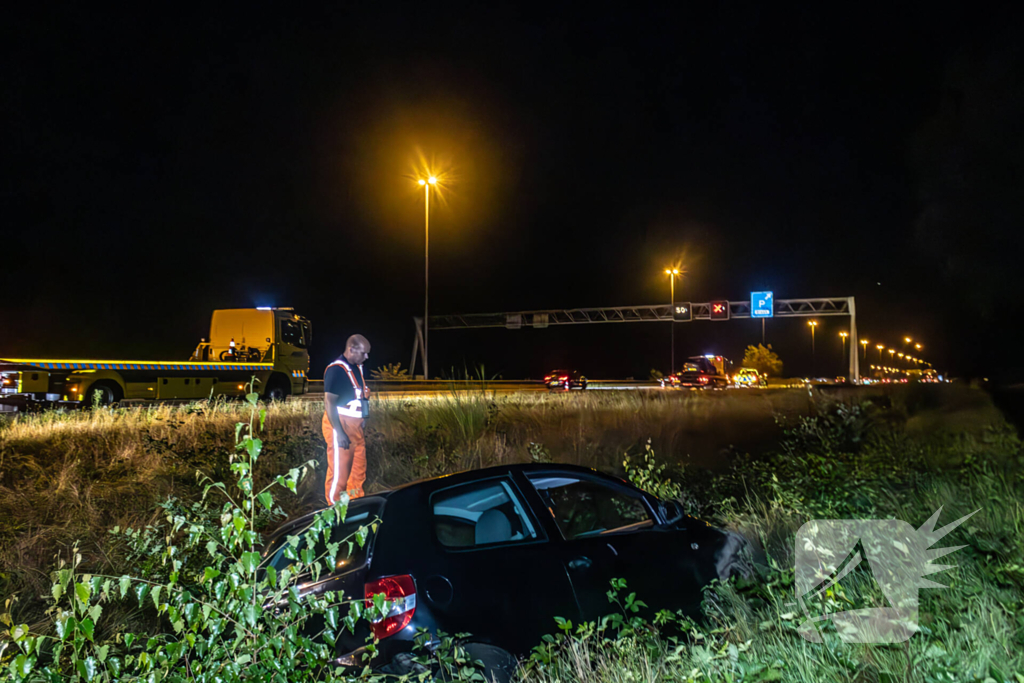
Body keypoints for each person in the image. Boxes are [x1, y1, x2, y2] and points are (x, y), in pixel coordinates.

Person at [322, 334, 371, 505]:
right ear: (351, 349)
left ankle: (354, 508)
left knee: (358, 472)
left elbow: (361, 395)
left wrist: (363, 417)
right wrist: (340, 432)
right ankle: (334, 512)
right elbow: (329, 403)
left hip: (355, 427)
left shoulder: (357, 367)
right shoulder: (336, 370)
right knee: (339, 474)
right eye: (364, 353)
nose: (367, 357)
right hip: (340, 425)